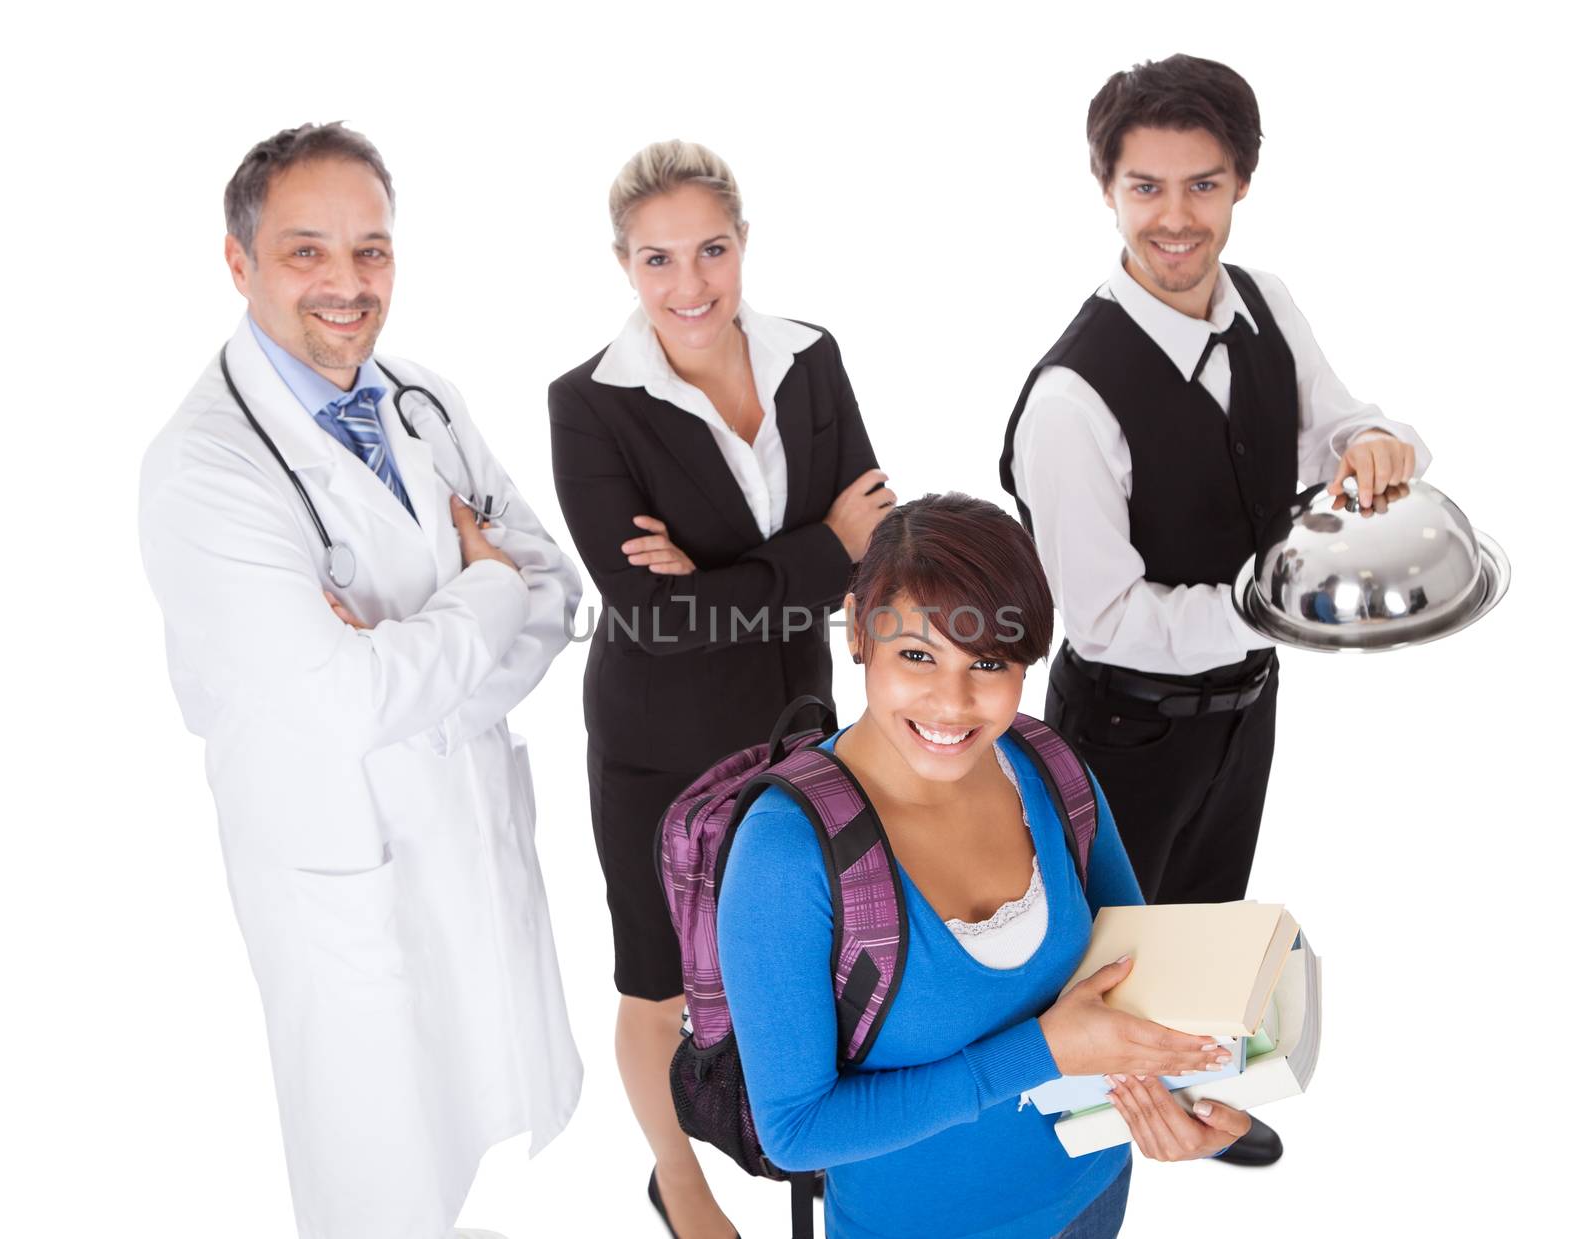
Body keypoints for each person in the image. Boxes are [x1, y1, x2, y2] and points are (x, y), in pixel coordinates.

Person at [139, 123, 583, 1239]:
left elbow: (558, 589)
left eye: (371, 251)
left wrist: (417, 668)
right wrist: (477, 600)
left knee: (480, 1128)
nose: (347, 285)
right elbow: (351, 701)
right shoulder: (206, 467)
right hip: (342, 870)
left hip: (462, 831)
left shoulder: (424, 400)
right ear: (237, 263)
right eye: (306, 253)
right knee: (376, 1178)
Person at [999, 54, 1431, 1166]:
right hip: (1124, 725)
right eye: (1146, 186)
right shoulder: (1070, 398)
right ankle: (1070, 1141)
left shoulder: (1264, 303)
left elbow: (1337, 425)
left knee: (1201, 918)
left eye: (1201, 184)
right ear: (1106, 189)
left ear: (1240, 184)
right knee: (1102, 960)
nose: (1175, 217)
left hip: (1243, 702)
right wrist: (1278, 611)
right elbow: (1102, 621)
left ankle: (1187, 1087)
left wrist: (1375, 444)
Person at [717, 493, 1253, 1239]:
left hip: (1091, 1195)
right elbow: (798, 1129)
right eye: (917, 655)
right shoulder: (785, 854)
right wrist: (1041, 1051)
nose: (953, 703)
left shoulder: (1049, 767)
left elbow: (1137, 974)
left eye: (990, 663)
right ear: (857, 631)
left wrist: (1188, 1098)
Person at [547, 140, 893, 1238]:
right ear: (622, 265)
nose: (688, 285)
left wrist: (734, 580)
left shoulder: (810, 358)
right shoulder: (590, 405)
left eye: (711, 250)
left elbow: (876, 536)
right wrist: (813, 553)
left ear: (744, 244)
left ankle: (804, 1140)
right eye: (657, 260)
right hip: (662, 740)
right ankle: (679, 1181)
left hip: (797, 721)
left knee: (802, 957)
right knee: (661, 982)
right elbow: (653, 619)